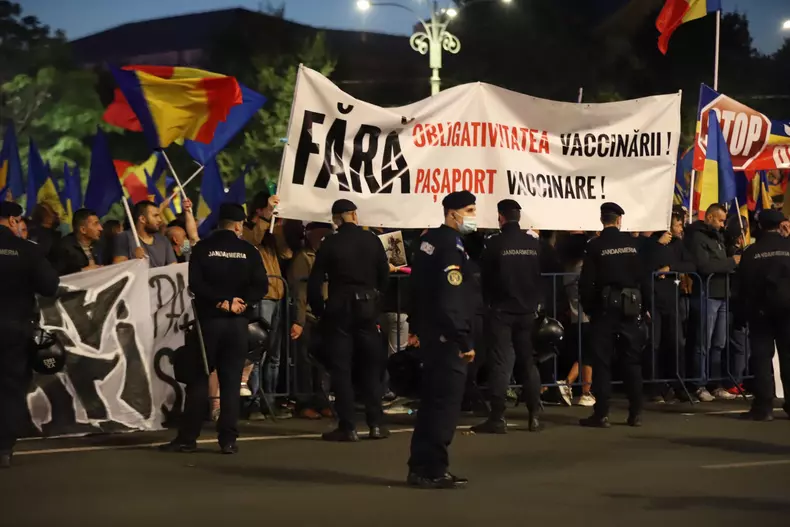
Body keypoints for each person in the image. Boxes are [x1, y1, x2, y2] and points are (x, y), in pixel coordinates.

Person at [160, 203, 268, 454]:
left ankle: (188, 437)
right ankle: (228, 439)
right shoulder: (248, 250)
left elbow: (196, 284)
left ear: (219, 223)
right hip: (238, 324)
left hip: (208, 322)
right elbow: (261, 285)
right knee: (231, 382)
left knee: (199, 379)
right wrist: (241, 303)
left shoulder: (202, 248)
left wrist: (220, 301)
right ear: (238, 225)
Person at [407, 190, 477, 489]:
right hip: (447, 337)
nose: (473, 217)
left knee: (431, 405)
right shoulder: (450, 245)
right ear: (452, 213)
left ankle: (421, 466)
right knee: (444, 407)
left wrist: (415, 326)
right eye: (469, 210)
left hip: (431, 333)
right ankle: (433, 469)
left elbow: (416, 287)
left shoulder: (429, 241)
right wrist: (463, 339)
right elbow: (451, 297)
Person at [307, 199, 390, 441]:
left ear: (336, 219)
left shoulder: (330, 243)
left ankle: (348, 426)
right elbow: (384, 274)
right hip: (367, 307)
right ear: (354, 215)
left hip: (339, 308)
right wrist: (377, 302)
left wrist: (320, 310)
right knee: (370, 366)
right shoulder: (371, 240)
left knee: (341, 368)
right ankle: (375, 423)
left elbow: (315, 280)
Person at [472, 199, 542, 434]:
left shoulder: (494, 243)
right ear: (519, 217)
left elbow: (485, 276)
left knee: (501, 364)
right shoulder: (532, 243)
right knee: (527, 362)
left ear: (500, 217)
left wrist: (489, 303)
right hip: (527, 311)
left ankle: (497, 417)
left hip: (501, 310)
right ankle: (534, 416)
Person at [0, 201, 60, 468]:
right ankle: (3, 448)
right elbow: (49, 286)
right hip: (15, 329)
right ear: (13, 221)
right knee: (11, 388)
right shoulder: (27, 250)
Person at [578, 202, 647, 428]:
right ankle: (635, 413)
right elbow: (643, 277)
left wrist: (590, 308)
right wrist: (644, 305)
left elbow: (586, 281)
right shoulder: (632, 244)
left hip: (604, 309)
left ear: (602, 219)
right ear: (619, 220)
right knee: (632, 361)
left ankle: (602, 414)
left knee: (602, 363)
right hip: (630, 307)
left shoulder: (595, 245)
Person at [734, 209, 790, 421]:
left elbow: (743, 286)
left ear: (760, 226)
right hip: (787, 311)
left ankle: (764, 406)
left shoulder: (752, 252)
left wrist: (740, 315)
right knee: (788, 357)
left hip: (761, 312)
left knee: (761, 359)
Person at [241, 191, 293, 419]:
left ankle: (269, 401)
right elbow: (252, 240)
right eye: (270, 208)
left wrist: (278, 228)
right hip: (262, 297)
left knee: (274, 354)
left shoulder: (272, 233)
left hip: (278, 296)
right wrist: (266, 218)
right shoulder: (246, 229)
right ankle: (253, 402)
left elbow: (287, 253)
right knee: (257, 353)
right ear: (259, 210)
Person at [684, 204, 739, 402]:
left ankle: (715, 383)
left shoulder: (719, 237)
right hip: (707, 294)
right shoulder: (697, 237)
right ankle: (699, 384)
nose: (723, 225)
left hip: (722, 294)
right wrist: (732, 262)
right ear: (709, 217)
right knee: (703, 343)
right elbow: (704, 266)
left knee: (719, 343)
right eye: (720, 220)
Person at [289, 221, 333, 419]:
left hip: (324, 315)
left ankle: (322, 401)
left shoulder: (328, 256)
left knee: (323, 362)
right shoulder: (304, 257)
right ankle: (304, 403)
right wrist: (298, 321)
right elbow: (299, 291)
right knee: (305, 362)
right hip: (307, 315)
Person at [113, 200, 177, 267]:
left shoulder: (163, 240)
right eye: (155, 216)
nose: (159, 220)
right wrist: (134, 260)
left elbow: (174, 267)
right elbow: (118, 268)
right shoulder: (124, 237)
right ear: (142, 219)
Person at [53, 208, 104, 276]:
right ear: (83, 230)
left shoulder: (99, 243)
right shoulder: (63, 247)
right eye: (95, 224)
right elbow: (56, 276)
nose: (101, 228)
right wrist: (82, 271)